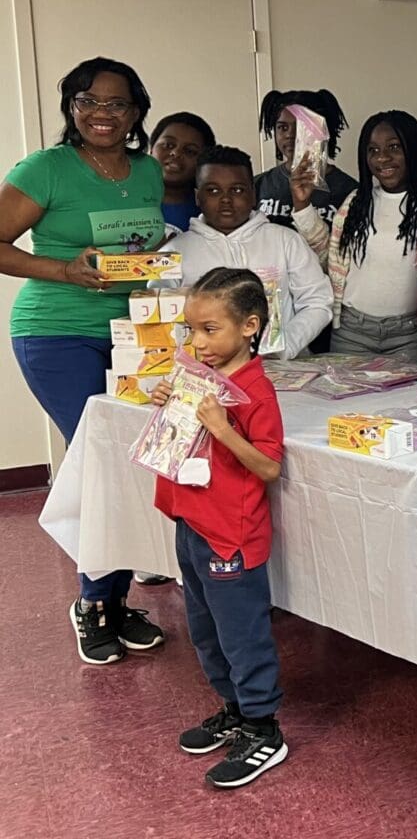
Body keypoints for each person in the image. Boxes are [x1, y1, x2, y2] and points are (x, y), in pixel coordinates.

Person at [0, 56, 167, 664]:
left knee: (134, 461)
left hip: (134, 336)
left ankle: (117, 601)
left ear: (136, 112)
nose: (102, 114)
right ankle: (95, 603)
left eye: (117, 104)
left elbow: (147, 243)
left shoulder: (146, 171)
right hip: (55, 334)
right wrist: (63, 269)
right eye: (88, 101)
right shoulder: (46, 168)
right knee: (104, 462)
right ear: (72, 108)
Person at [148, 267, 288, 788]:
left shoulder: (256, 390)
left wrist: (223, 429)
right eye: (191, 330)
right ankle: (233, 710)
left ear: (249, 326)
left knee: (241, 634)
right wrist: (168, 402)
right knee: (204, 631)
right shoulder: (197, 376)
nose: (196, 342)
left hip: (231, 533)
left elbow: (269, 467)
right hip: (193, 522)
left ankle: (263, 726)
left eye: (211, 330)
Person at [163, 146, 331, 359]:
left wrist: (286, 345)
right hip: (205, 375)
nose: (226, 199)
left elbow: (318, 300)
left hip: (283, 370)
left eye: (238, 190)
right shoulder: (174, 253)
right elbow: (159, 317)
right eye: (213, 190)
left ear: (253, 194)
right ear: (198, 197)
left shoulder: (285, 240)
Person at [295, 110, 417, 360]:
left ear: (414, 149)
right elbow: (329, 257)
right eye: (373, 150)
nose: (383, 158)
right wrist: (302, 205)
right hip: (351, 332)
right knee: (349, 399)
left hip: (410, 334)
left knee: (405, 400)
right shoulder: (357, 201)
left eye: (394, 147)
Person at [255, 88, 357, 233]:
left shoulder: (349, 191)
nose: (290, 135)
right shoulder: (258, 185)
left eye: (301, 127)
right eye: (282, 127)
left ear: (323, 130)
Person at [150, 111, 216, 231]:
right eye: (168, 145)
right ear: (151, 149)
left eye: (190, 151)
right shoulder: (124, 199)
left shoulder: (212, 211)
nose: (176, 153)